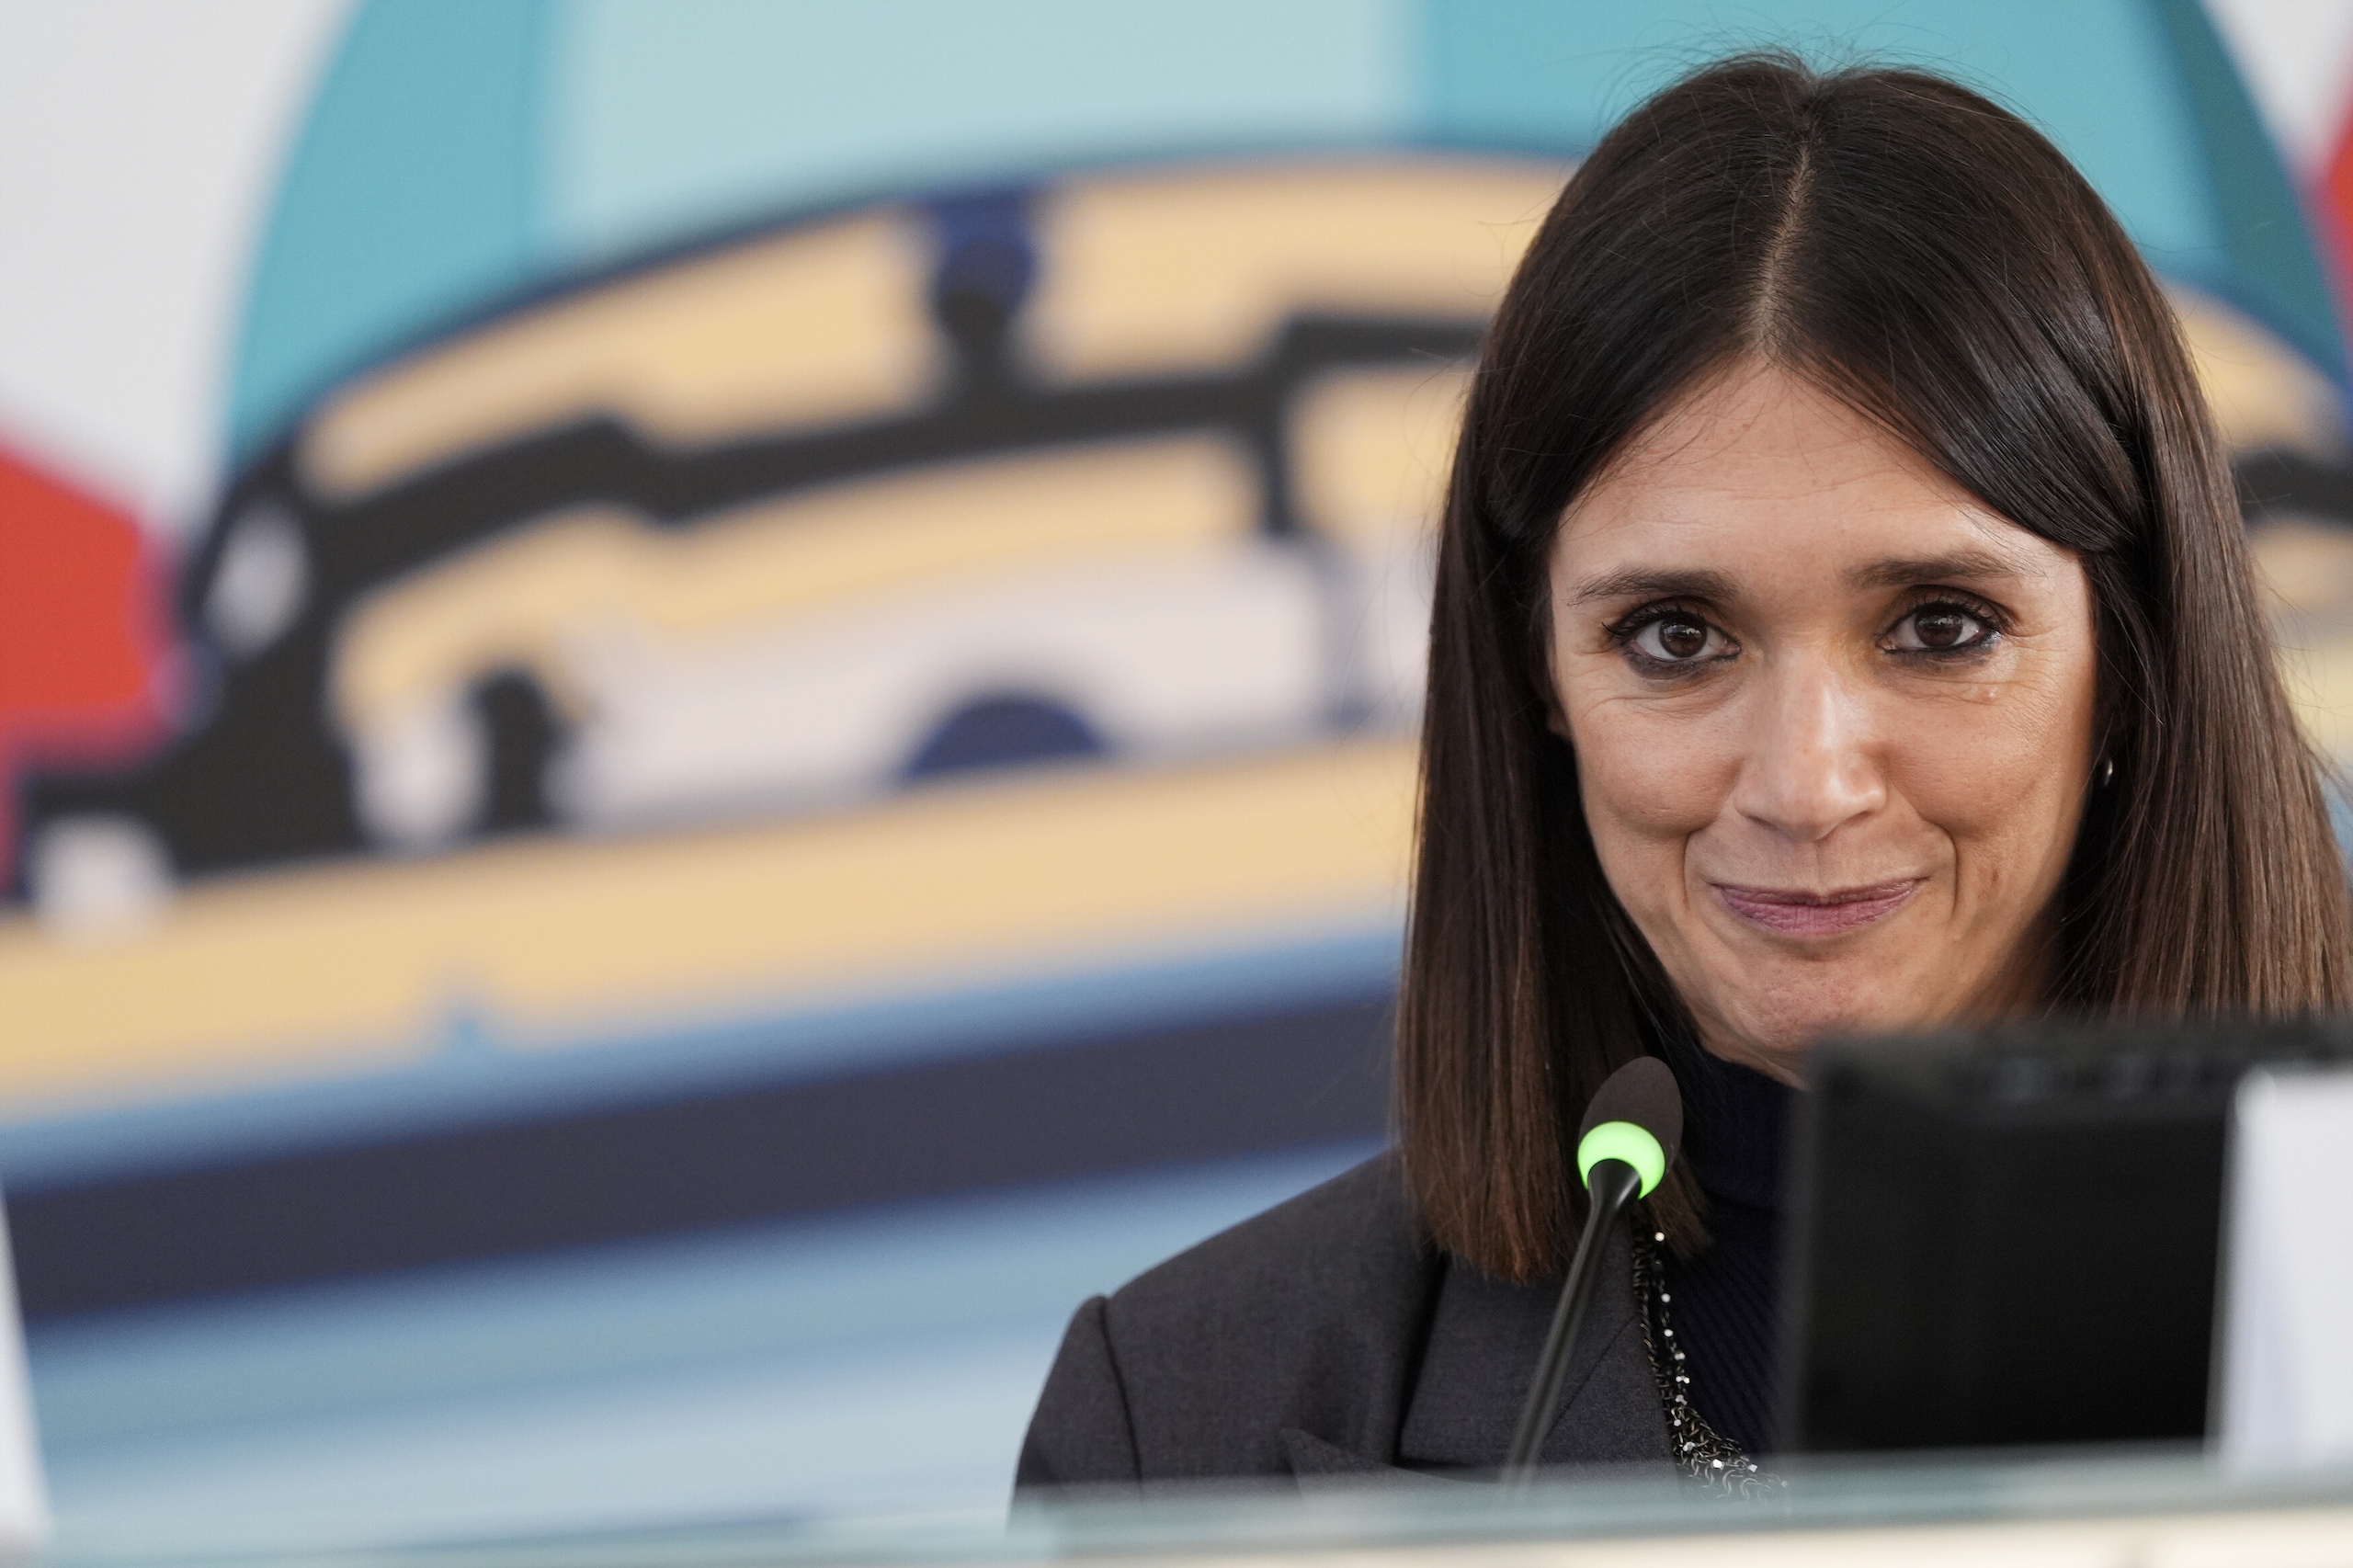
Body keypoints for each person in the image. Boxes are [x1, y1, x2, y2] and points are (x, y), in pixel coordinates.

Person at [1014, 54, 2353, 1491]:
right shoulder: (1175, 1420)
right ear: (1536, 669)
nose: (1807, 785)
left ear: (2133, 652)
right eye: (1676, 635)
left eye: (1939, 626)